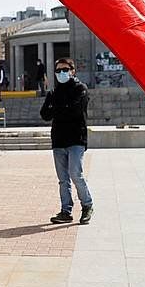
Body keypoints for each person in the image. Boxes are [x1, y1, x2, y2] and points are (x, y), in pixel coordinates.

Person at [40, 58, 93, 224]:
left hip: (76, 138)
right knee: (63, 179)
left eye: (65, 69)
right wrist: (60, 108)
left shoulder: (80, 89)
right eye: (58, 71)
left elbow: (75, 111)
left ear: (72, 71)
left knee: (76, 174)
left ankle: (87, 205)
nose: (61, 73)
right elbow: (44, 114)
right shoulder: (54, 93)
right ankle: (66, 211)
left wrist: (56, 108)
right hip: (58, 139)